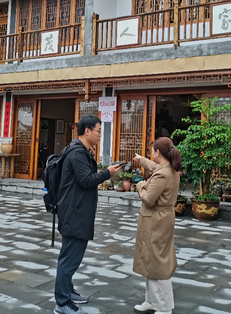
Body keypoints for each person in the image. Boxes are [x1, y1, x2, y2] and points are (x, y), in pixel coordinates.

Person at [53, 115, 124, 314]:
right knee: (69, 259)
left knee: (69, 256)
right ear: (87, 131)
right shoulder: (77, 153)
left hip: (75, 210)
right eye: (98, 131)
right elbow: (86, 180)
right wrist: (107, 173)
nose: (100, 135)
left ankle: (67, 291)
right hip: (74, 212)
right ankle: (62, 303)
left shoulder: (79, 150)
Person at [132, 137, 182, 314]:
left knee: (157, 262)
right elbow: (155, 167)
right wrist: (142, 160)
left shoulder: (162, 174)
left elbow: (148, 199)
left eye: (152, 151)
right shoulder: (170, 168)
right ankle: (152, 300)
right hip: (161, 218)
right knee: (150, 260)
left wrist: (140, 185)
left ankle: (164, 307)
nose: (151, 153)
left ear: (158, 152)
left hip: (156, 220)